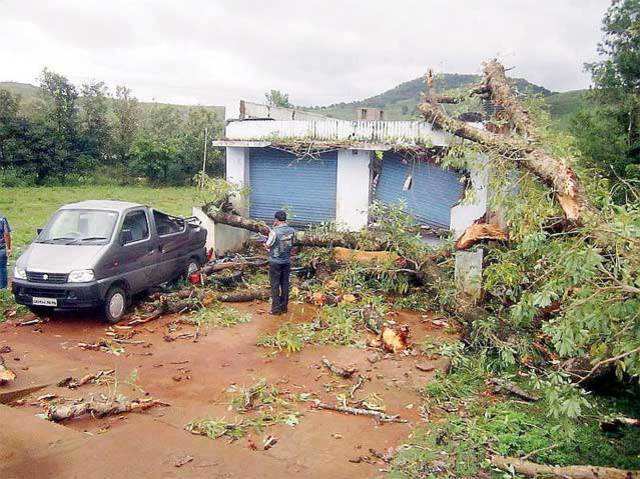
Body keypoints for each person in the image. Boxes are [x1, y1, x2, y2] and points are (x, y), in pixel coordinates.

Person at [265, 210, 295, 315]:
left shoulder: (274, 232)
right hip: (287, 261)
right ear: (285, 219)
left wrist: (266, 246)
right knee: (285, 284)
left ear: (276, 220)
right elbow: (292, 243)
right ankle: (284, 308)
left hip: (275, 262)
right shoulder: (291, 230)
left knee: (275, 285)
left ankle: (276, 310)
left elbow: (268, 245)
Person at [0, 213, 12, 289]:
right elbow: (6, 234)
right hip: (1, 248)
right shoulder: (2, 219)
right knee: (2, 269)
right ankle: (3, 290)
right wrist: (9, 248)